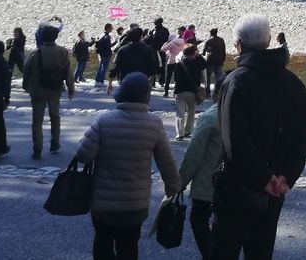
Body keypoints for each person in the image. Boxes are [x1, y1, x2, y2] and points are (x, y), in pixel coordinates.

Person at [211, 13, 306, 260]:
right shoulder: (293, 83)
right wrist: (285, 176)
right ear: (268, 41)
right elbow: (303, 134)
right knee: (261, 251)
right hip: (275, 189)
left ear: (239, 45)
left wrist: (262, 178)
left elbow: (235, 141)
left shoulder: (235, 82)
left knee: (223, 250)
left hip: (236, 187)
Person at [75, 72, 180, 260]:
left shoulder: (104, 121)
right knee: (129, 246)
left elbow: (83, 155)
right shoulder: (154, 124)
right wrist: (173, 187)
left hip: (103, 201)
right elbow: (167, 161)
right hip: (135, 203)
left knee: (102, 242)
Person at [178, 97, 224, 260]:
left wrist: (181, 181)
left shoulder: (211, 116)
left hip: (208, 181)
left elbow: (194, 153)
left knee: (199, 220)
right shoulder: (245, 113)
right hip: (235, 183)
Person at [22, 24, 75, 159]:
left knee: (37, 120)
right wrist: (71, 88)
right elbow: (67, 72)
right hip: (55, 88)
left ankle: (37, 148)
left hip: (38, 89)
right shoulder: (63, 52)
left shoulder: (35, 52)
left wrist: (25, 85)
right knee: (55, 116)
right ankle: (55, 142)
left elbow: (27, 70)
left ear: (42, 36)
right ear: (56, 36)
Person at [173, 42, 209, 141]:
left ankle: (179, 133)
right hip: (193, 91)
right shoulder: (197, 63)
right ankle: (188, 130)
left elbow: (176, 78)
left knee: (179, 113)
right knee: (191, 112)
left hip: (180, 90)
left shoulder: (179, 64)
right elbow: (206, 64)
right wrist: (199, 55)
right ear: (194, 53)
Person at [160, 31, 187, 98]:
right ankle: (176, 92)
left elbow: (163, 50)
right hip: (179, 61)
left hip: (171, 61)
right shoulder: (183, 42)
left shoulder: (172, 43)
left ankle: (166, 92)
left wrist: (165, 43)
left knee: (168, 77)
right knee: (177, 77)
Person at [203, 27, 226, 95]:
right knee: (219, 77)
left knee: (208, 77)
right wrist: (223, 59)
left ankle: (207, 92)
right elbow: (223, 51)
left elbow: (206, 52)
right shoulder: (221, 40)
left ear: (210, 33)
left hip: (211, 62)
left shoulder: (209, 41)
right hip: (219, 61)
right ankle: (218, 92)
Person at [95, 23, 115, 89]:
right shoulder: (106, 36)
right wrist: (115, 43)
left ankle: (97, 81)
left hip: (102, 54)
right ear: (108, 28)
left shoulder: (102, 35)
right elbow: (107, 47)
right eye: (111, 28)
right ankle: (101, 81)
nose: (112, 29)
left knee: (100, 67)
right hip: (105, 54)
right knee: (104, 68)